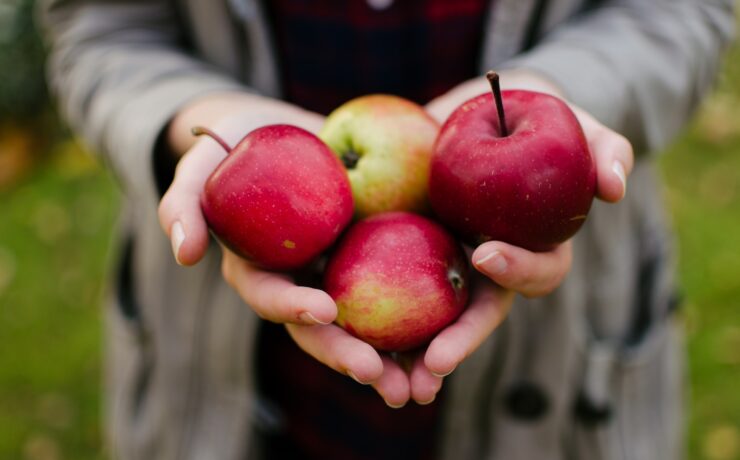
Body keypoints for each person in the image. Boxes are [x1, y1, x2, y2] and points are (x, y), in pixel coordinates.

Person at [40, 0, 734, 459]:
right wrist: (191, 114)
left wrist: (553, 87)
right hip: (232, 369)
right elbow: (101, 29)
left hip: (561, 362)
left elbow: (679, 11)